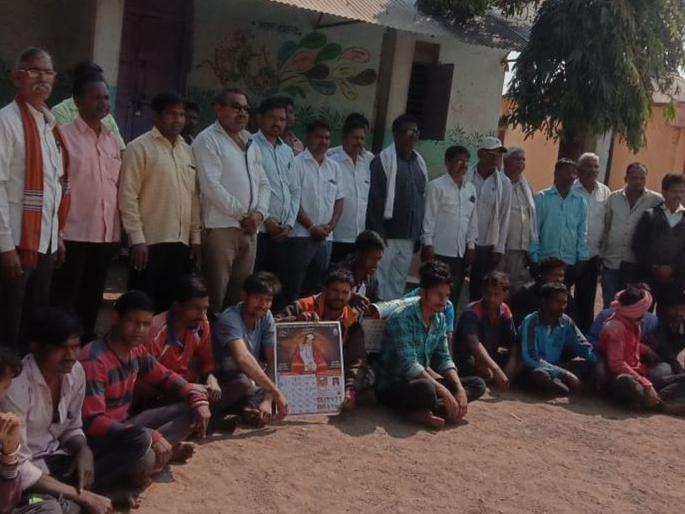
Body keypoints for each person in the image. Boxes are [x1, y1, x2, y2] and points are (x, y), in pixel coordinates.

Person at [79, 291, 210, 489]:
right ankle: (153, 460)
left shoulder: (135, 350)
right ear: (116, 318)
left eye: (146, 324)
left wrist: (197, 398)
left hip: (127, 428)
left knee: (191, 409)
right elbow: (93, 422)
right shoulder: (94, 360)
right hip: (100, 440)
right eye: (133, 322)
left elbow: (165, 377)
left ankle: (155, 457)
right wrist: (149, 435)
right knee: (145, 456)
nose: (140, 330)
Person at [0, 309, 113, 513]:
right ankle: (75, 500)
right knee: (48, 506)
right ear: (37, 347)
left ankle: (74, 499)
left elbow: (73, 427)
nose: (70, 356)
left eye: (75, 347)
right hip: (31, 480)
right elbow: (18, 476)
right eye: (61, 348)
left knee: (133, 449)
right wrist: (83, 497)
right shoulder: (17, 386)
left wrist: (83, 450)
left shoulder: (75, 372)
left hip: (55, 464)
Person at [0, 48, 68, 353]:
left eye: (48, 72)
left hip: (45, 243)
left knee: (35, 321)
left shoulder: (49, 125)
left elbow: (54, 186)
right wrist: (5, 247)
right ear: (17, 77)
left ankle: (27, 378)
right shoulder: (6, 122)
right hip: (16, 244)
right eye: (34, 71)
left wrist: (57, 235)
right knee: (8, 322)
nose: (43, 78)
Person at [50, 70, 121, 342]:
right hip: (72, 233)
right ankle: (60, 347)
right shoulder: (63, 136)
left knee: (92, 298)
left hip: (104, 235)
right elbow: (55, 185)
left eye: (106, 97)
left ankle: (86, 349)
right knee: (65, 298)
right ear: (78, 101)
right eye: (96, 97)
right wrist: (56, 232)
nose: (103, 103)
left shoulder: (111, 139)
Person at [375, 260, 486, 430]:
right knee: (426, 388)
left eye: (447, 295)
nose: (444, 300)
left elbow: (443, 358)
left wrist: (458, 389)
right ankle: (430, 409)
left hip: (423, 379)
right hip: (395, 384)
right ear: (423, 292)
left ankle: (428, 410)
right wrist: (445, 391)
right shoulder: (401, 318)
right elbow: (409, 366)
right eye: (438, 295)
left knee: (477, 384)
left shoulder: (439, 318)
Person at [118, 92, 201, 312]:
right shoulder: (139, 148)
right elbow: (128, 196)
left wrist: (195, 237)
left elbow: (193, 196)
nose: (178, 120)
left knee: (171, 308)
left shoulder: (188, 151)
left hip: (181, 243)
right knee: (142, 305)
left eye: (181, 114)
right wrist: (136, 239)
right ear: (156, 116)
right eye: (171, 114)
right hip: (149, 243)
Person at [193, 88, 270, 315]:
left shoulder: (250, 141)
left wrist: (259, 215)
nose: (242, 113)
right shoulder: (207, 139)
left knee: (240, 297)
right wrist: (242, 216)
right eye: (236, 107)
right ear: (218, 109)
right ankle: (208, 335)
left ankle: (230, 335)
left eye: (246, 108)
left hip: (250, 230)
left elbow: (264, 183)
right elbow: (210, 186)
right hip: (221, 228)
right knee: (213, 294)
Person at [278, 269, 367, 411]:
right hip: (293, 370)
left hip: (325, 377)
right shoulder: (303, 306)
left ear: (351, 295)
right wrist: (295, 321)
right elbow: (270, 327)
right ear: (325, 290)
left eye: (345, 292)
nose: (339, 296)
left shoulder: (351, 321)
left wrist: (351, 392)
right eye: (335, 291)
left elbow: (357, 360)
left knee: (367, 379)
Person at [278, 120, 344, 309]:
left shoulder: (334, 167)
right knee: (293, 287)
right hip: (300, 236)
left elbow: (339, 201)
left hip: (325, 238)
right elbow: (293, 201)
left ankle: (311, 323)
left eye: (327, 138)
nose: (323, 141)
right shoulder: (296, 164)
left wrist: (330, 226)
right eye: (318, 137)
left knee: (316, 289)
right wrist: (311, 226)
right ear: (308, 138)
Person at [212, 272, 288, 426]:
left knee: (272, 376)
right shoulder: (230, 318)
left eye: (268, 300)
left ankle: (249, 407)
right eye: (258, 298)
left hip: (248, 376)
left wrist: (268, 399)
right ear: (244, 296)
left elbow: (274, 358)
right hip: (222, 377)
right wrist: (275, 392)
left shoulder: (266, 316)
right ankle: (231, 411)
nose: (263, 305)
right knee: (244, 383)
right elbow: (243, 358)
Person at [366, 114, 427, 300]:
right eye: (408, 131)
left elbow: (421, 199)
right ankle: (376, 315)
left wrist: (419, 233)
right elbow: (374, 200)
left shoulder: (419, 162)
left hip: (409, 236)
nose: (413, 135)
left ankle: (392, 314)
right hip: (387, 234)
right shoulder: (383, 161)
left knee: (398, 281)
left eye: (416, 132)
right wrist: (378, 233)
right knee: (379, 280)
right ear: (396, 134)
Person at [599, 286, 685, 415]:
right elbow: (616, 364)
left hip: (639, 373)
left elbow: (631, 344)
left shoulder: (632, 323)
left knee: (671, 371)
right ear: (635, 310)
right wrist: (646, 384)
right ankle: (659, 405)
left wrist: (646, 350)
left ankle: (652, 399)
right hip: (621, 377)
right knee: (626, 382)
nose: (645, 314)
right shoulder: (615, 328)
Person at [138, 275, 220, 407]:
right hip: (156, 396)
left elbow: (207, 360)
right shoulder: (155, 333)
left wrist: (211, 377)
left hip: (185, 387)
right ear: (177, 306)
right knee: (195, 407)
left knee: (238, 383)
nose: (202, 315)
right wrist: (186, 388)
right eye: (196, 308)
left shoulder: (201, 324)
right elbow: (144, 382)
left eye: (205, 308)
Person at [422, 145, 477, 312]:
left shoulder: (470, 189)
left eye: (466, 162)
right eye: (459, 161)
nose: (463, 165)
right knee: (434, 293)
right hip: (439, 251)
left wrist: (471, 245)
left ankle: (447, 326)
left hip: (460, 253)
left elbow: (472, 220)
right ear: (448, 163)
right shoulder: (436, 186)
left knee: (453, 295)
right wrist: (427, 244)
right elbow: (429, 217)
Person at [519, 282, 599, 396]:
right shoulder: (531, 321)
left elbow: (582, 346)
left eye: (564, 303)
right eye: (557, 302)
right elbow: (530, 357)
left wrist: (598, 360)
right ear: (544, 301)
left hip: (558, 366)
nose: (562, 307)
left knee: (594, 367)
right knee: (541, 375)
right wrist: (565, 374)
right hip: (535, 367)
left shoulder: (566, 321)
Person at [601, 163, 662, 306]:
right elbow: (607, 225)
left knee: (630, 306)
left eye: (642, 178)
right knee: (610, 304)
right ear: (626, 178)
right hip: (612, 260)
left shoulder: (655, 200)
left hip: (635, 264)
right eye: (634, 178)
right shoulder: (613, 198)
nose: (638, 182)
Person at [252, 97, 298, 275]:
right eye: (272, 118)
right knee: (255, 280)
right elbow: (250, 187)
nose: (277, 123)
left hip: (283, 232)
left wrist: (289, 224)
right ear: (260, 118)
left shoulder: (287, 151)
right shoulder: (250, 145)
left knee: (276, 283)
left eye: (282, 119)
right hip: (259, 229)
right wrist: (266, 219)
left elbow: (294, 190)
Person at [529, 159, 589, 292]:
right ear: (556, 173)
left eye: (574, 173)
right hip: (545, 261)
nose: (571, 176)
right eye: (567, 172)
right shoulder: (542, 198)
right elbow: (534, 231)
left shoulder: (580, 201)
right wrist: (534, 258)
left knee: (562, 297)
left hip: (569, 262)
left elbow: (582, 232)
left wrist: (582, 258)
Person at [465, 137, 512, 300]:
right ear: (480, 154)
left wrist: (499, 248)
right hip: (462, 240)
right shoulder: (467, 177)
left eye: (498, 155)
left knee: (480, 287)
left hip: (486, 243)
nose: (495, 159)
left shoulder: (504, 183)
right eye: (492, 154)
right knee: (454, 282)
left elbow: (504, 216)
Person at [454, 272, 517, 389]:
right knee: (481, 370)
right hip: (469, 356)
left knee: (517, 362)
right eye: (488, 293)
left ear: (505, 295)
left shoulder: (505, 311)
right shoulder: (472, 311)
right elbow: (474, 344)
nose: (491, 298)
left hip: (490, 355)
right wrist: (496, 369)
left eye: (496, 294)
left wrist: (511, 363)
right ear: (483, 292)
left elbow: (513, 340)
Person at [632, 173, 685, 312]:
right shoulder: (650, 215)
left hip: (675, 281)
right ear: (664, 192)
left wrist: (672, 268)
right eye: (674, 191)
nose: (678, 195)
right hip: (648, 278)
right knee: (643, 318)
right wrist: (654, 268)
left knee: (669, 320)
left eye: (682, 191)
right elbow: (638, 245)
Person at [571, 153, 610, 333]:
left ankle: (584, 336)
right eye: (588, 166)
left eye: (595, 166)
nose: (592, 170)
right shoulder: (571, 189)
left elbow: (607, 222)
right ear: (578, 170)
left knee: (587, 299)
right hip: (570, 254)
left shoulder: (605, 192)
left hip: (592, 254)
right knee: (562, 296)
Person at [328, 113, 374, 263]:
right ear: (344, 138)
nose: (359, 142)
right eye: (355, 138)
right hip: (336, 235)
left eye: (362, 138)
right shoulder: (331, 161)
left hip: (360, 238)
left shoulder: (368, 162)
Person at [52, 62, 125, 150]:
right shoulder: (60, 111)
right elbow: (65, 147)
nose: (100, 82)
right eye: (94, 79)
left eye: (106, 98)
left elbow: (120, 149)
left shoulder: (107, 117)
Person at [499, 147, 537, 294]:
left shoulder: (526, 185)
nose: (521, 163)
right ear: (506, 161)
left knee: (513, 286)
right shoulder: (499, 182)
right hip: (500, 245)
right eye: (517, 159)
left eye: (523, 159)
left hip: (519, 246)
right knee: (497, 282)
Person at [331, 229, 384, 308]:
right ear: (359, 254)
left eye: (378, 259)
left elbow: (376, 302)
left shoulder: (371, 279)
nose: (376, 264)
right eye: (372, 259)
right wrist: (350, 298)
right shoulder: (338, 273)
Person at [510, 257, 567, 328]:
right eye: (554, 275)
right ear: (543, 275)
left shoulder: (566, 297)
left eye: (561, 276)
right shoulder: (525, 295)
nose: (558, 279)